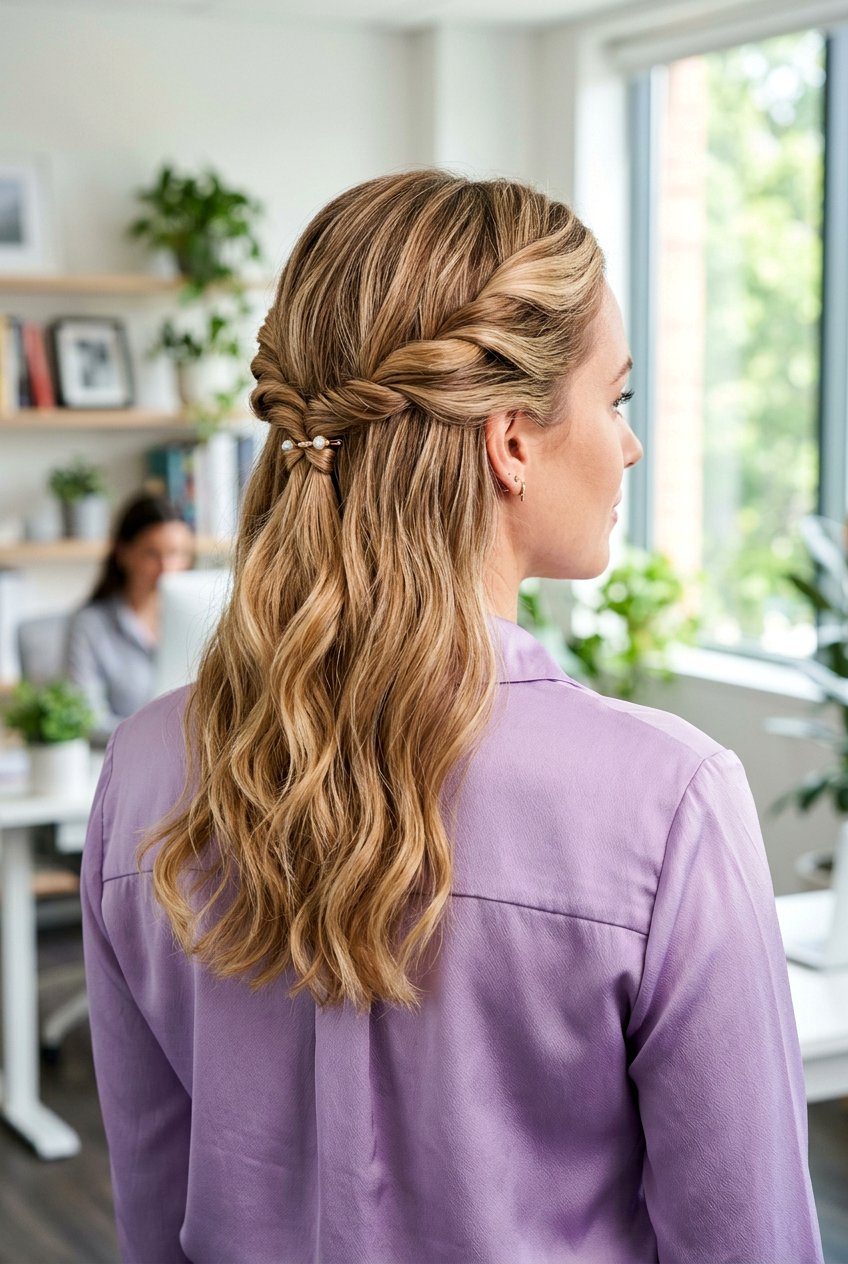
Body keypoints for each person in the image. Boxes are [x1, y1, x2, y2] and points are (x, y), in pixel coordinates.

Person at [81, 171, 824, 1264]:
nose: (628, 446)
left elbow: (155, 1212)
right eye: (616, 400)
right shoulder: (669, 805)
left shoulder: (144, 766)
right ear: (511, 438)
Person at [64, 491, 195, 746]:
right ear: (123, 553)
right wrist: (155, 736)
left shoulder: (198, 618)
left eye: (177, 553)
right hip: (126, 756)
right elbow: (89, 721)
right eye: (152, 554)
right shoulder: (90, 625)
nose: (167, 568)